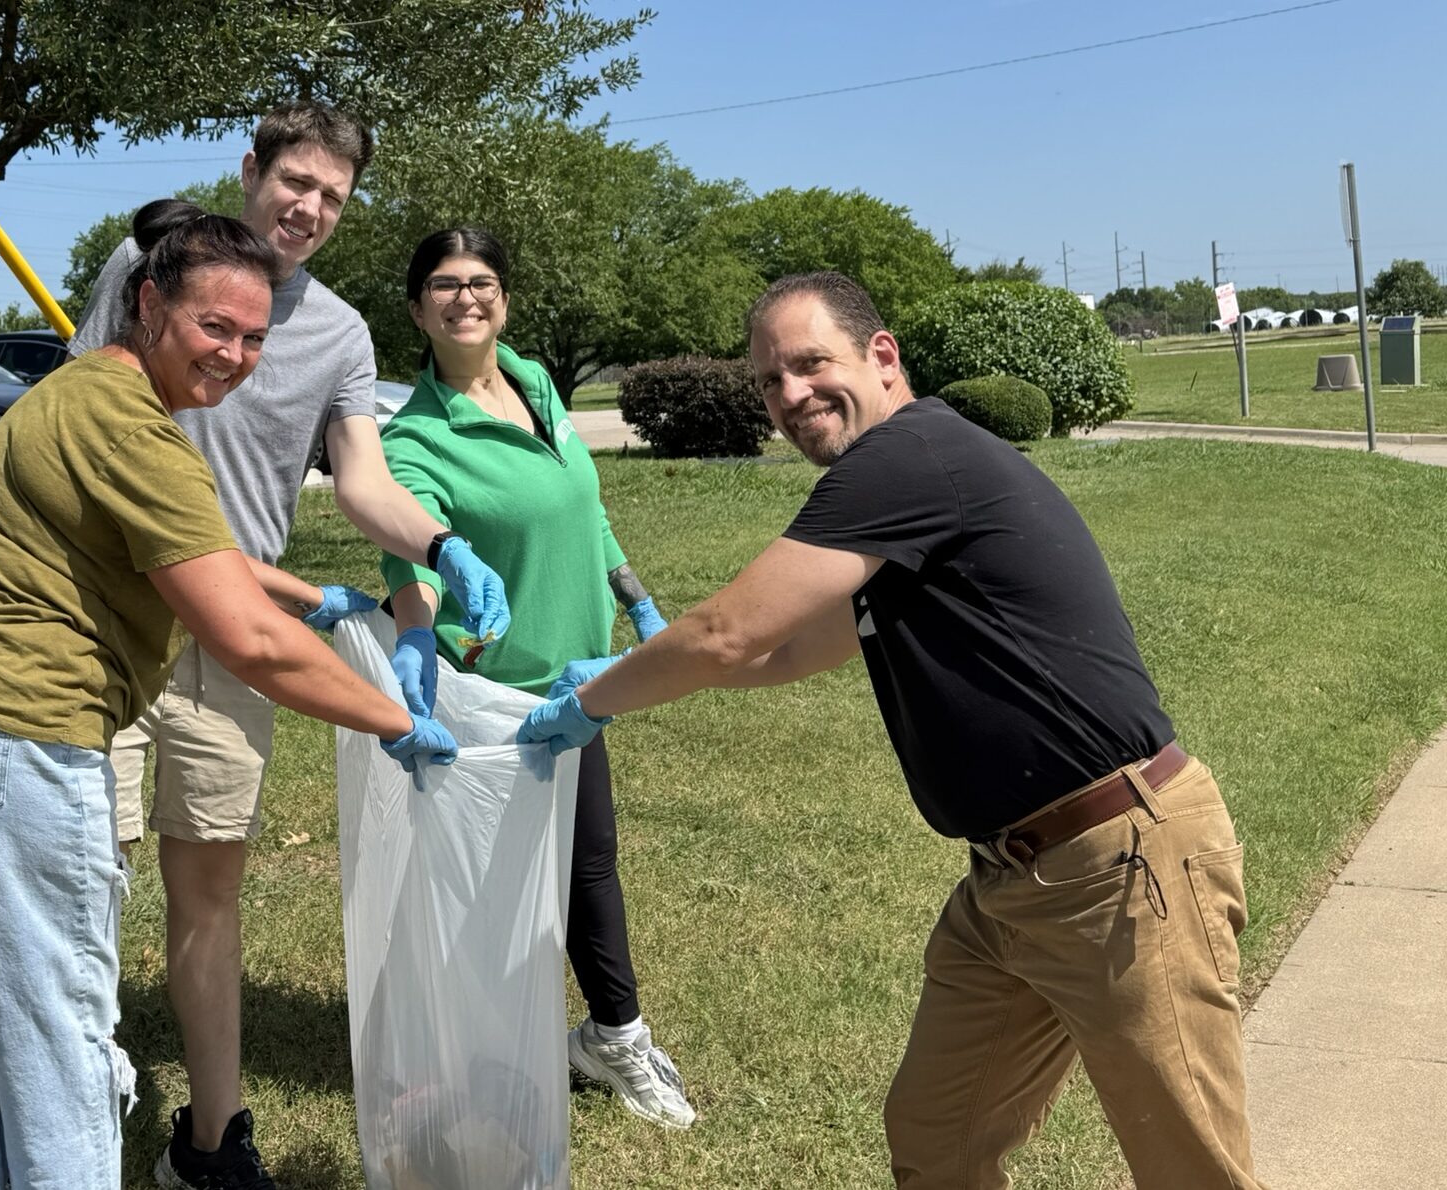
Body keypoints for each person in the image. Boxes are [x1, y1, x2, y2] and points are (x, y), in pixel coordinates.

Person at [519, 271, 1267, 1188]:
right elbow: (787, 653)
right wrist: (634, 672)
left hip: (1119, 866)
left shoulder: (910, 457)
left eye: (808, 364)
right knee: (937, 1136)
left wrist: (593, 704)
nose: (790, 396)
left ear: (882, 356)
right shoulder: (905, 495)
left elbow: (729, 634)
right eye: (768, 381)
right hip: (1011, 882)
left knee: (1190, 1167)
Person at [0, 201, 457, 1190]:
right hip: (3, 741)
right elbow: (245, 640)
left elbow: (203, 564)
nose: (236, 355)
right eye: (215, 327)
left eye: (254, 337)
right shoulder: (139, 433)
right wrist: (401, 722)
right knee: (60, 1058)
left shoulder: (72, 393)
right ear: (148, 300)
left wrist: (312, 592)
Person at [66, 103, 511, 1188]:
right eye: (294, 182)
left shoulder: (341, 335)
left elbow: (361, 481)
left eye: (332, 197)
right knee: (85, 878)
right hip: (109, 617)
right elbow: (78, 416)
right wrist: (292, 594)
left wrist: (441, 544)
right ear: (250, 170)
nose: (307, 209)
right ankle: (65, 1126)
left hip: (236, 641)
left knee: (208, 893)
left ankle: (210, 1143)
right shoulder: (152, 264)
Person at [377, 227, 695, 1129]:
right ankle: (472, 1054)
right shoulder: (418, 437)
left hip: (579, 684)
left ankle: (611, 1038)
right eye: (444, 285)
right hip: (498, 700)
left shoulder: (536, 384)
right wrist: (415, 612)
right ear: (416, 309)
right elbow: (412, 547)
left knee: (587, 865)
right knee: (492, 885)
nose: (465, 298)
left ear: (504, 300)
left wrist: (636, 601)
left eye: (481, 283)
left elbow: (582, 511)